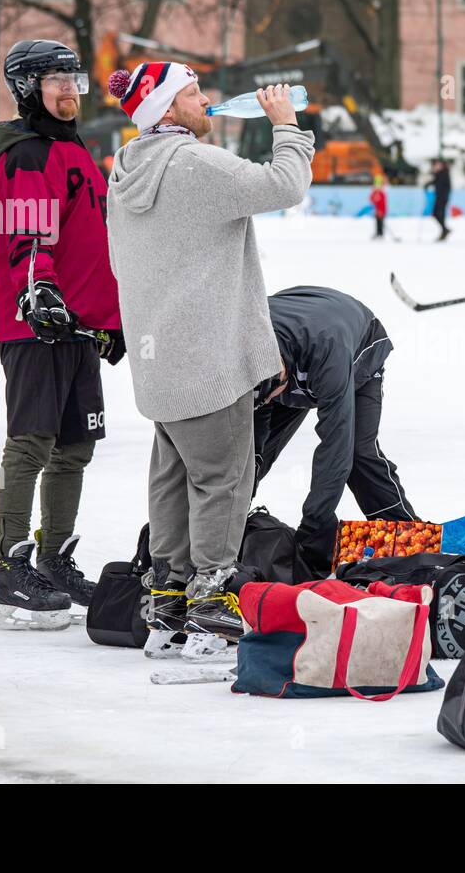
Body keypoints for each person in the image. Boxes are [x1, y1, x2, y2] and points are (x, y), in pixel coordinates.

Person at [106, 63, 313, 662]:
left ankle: (165, 607)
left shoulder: (126, 167)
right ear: (167, 110)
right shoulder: (194, 163)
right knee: (223, 480)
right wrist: (286, 125)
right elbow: (284, 187)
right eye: (194, 93)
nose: (208, 101)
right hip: (208, 359)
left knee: (172, 481)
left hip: (160, 363)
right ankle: (209, 613)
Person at [0, 39, 125, 631]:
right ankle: (10, 566)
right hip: (37, 325)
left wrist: (112, 318)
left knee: (75, 447)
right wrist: (36, 290)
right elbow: (24, 236)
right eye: (57, 80)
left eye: (75, 80)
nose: (70, 90)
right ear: (27, 88)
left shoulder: (76, 150)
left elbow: (96, 241)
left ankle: (54, 557)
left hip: (82, 328)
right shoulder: (25, 154)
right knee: (32, 443)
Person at [252, 286, 420, 576]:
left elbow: (336, 445)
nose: (273, 400)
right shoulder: (245, 341)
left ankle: (405, 530)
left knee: (356, 453)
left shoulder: (329, 355)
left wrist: (315, 524)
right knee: (255, 452)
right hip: (293, 335)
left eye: (276, 392)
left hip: (355, 345)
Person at [428, 158, 452, 241]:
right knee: (436, 214)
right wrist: (428, 184)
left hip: (442, 198)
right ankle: (444, 229)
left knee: (439, 214)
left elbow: (444, 186)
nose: (435, 166)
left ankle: (444, 230)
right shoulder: (439, 174)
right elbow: (435, 182)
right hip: (439, 197)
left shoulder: (444, 173)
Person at [370, 173, 387, 240]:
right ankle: (377, 233)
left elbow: (383, 203)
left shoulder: (382, 193)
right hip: (377, 210)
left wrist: (381, 210)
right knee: (377, 222)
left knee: (381, 222)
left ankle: (381, 234)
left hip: (381, 210)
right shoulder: (375, 192)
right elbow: (371, 199)